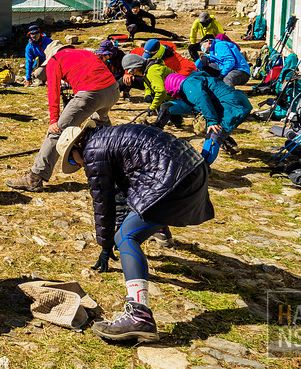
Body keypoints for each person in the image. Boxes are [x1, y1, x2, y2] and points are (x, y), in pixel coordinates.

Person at [56, 121, 214, 342]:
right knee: (135, 220)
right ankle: (160, 227)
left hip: (172, 180)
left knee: (126, 237)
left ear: (77, 145)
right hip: (193, 168)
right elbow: (126, 196)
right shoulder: (109, 138)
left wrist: (106, 244)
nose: (78, 165)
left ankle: (139, 315)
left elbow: (103, 204)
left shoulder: (93, 151)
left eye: (73, 160)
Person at [6, 41, 119, 192]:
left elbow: (53, 91)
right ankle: (114, 171)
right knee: (102, 131)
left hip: (90, 93)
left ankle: (35, 177)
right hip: (113, 89)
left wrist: (54, 120)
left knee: (57, 132)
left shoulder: (55, 60)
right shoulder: (85, 52)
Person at [158, 72, 252, 162]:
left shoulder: (188, 85)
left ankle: (203, 166)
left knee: (214, 133)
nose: (177, 97)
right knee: (218, 132)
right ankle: (229, 146)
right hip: (238, 102)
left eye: (173, 94)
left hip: (232, 106)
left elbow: (202, 99)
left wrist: (212, 121)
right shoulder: (194, 80)